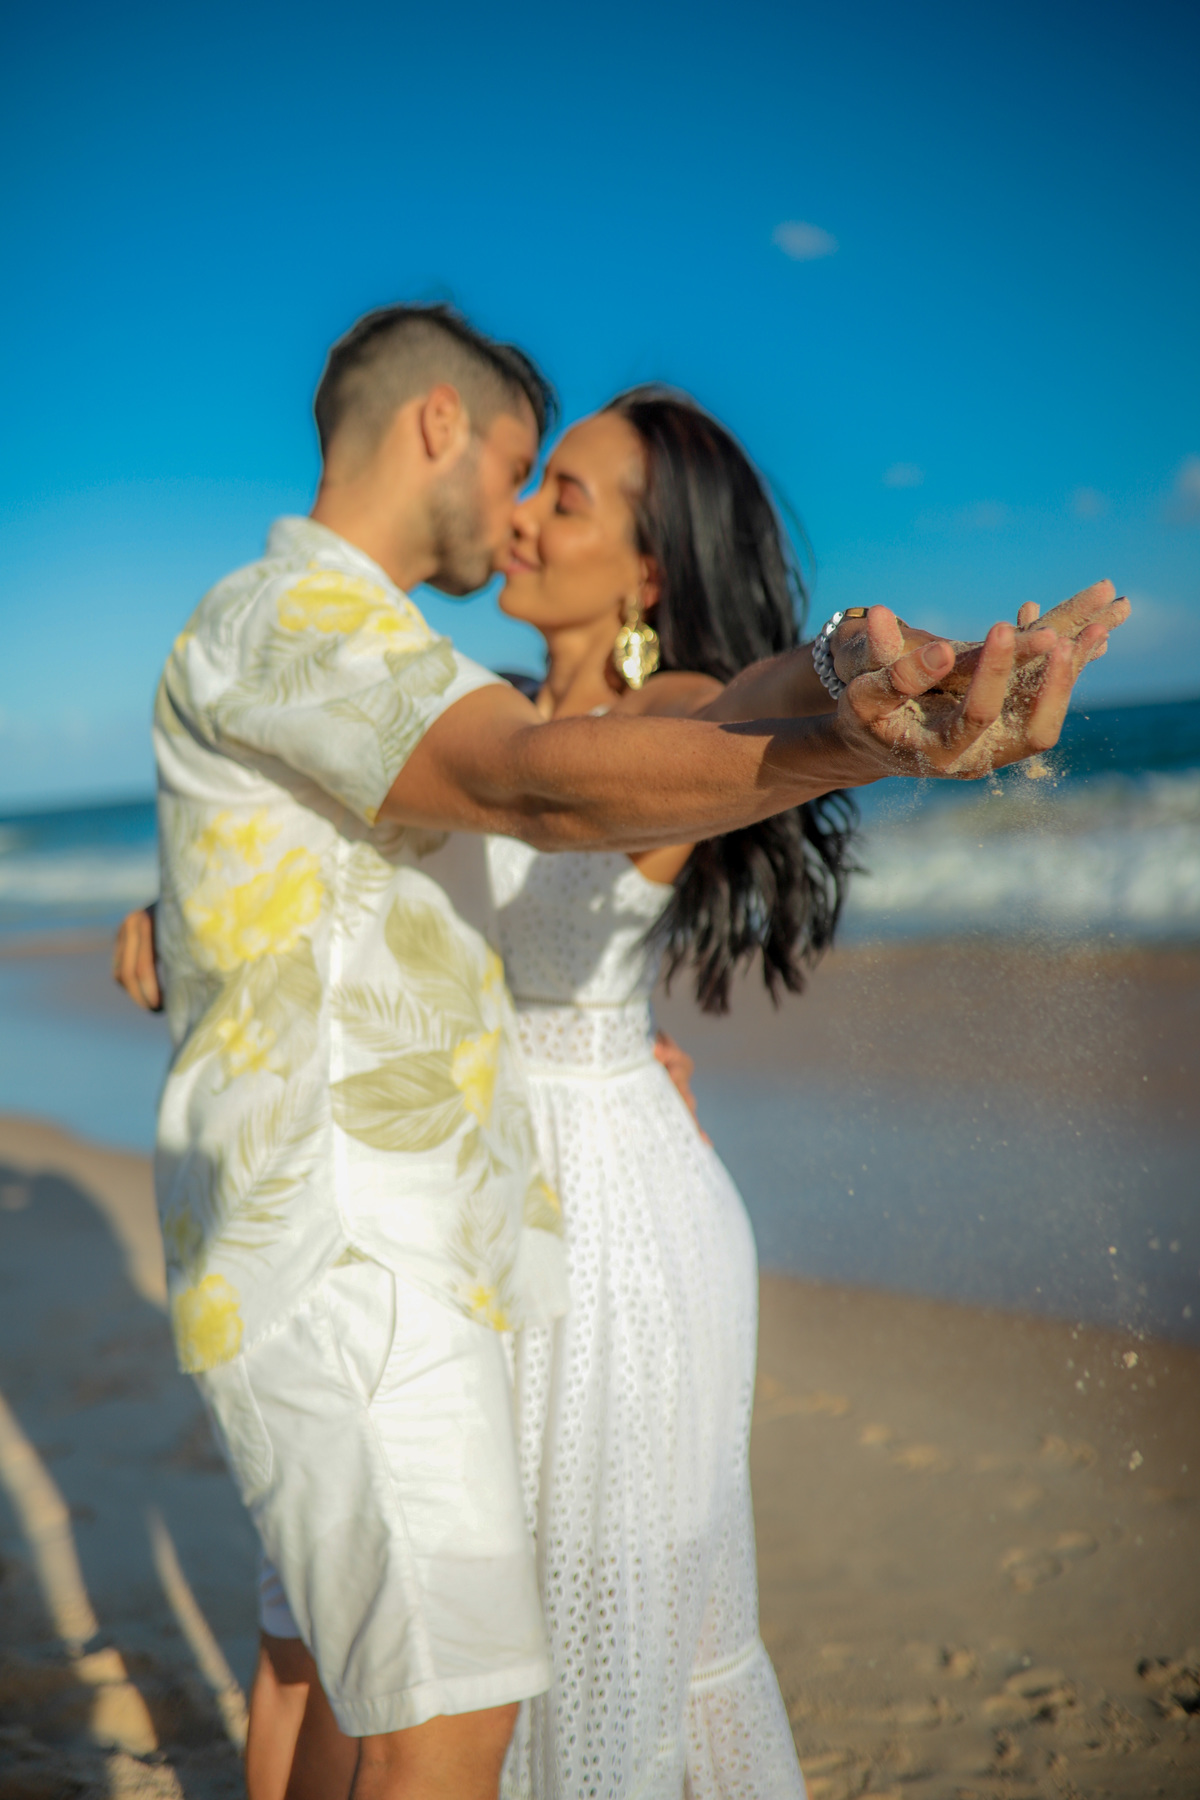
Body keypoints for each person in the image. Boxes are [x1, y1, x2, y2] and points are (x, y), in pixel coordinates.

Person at [120, 300, 1126, 1800]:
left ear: (649, 571)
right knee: (351, 1642)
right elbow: (377, 816)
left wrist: (853, 672)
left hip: (592, 1209)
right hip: (437, 1198)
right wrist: (181, 906)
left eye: (564, 495)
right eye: (532, 480)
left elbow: (727, 707)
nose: (524, 521)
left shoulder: (647, 707)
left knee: (542, 1664)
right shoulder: (452, 698)